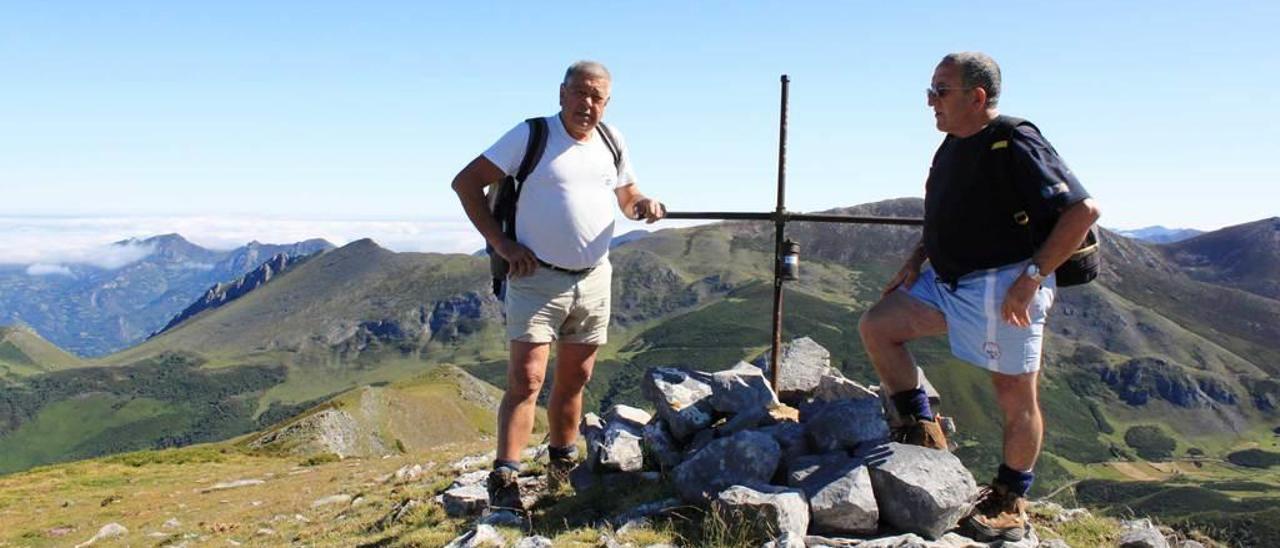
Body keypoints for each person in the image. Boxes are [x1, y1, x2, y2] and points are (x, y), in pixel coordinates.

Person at [858, 52, 1100, 542]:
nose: (931, 102)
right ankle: (921, 428)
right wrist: (915, 259)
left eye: (940, 90)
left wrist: (1031, 278)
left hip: (1002, 286)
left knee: (1015, 396)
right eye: (930, 91)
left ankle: (1010, 499)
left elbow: (1083, 210)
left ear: (978, 96)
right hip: (946, 282)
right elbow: (947, 215)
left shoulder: (1014, 139)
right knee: (878, 326)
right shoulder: (951, 146)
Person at [451, 60, 665, 510]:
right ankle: (506, 479)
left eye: (598, 97)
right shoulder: (531, 136)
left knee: (575, 378)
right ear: (562, 93)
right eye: (581, 93)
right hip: (535, 277)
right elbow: (466, 183)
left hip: (593, 277)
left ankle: (562, 466)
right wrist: (503, 245)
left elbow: (626, 197)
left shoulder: (612, 140)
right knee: (526, 380)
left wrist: (642, 203)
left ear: (607, 103)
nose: (588, 104)